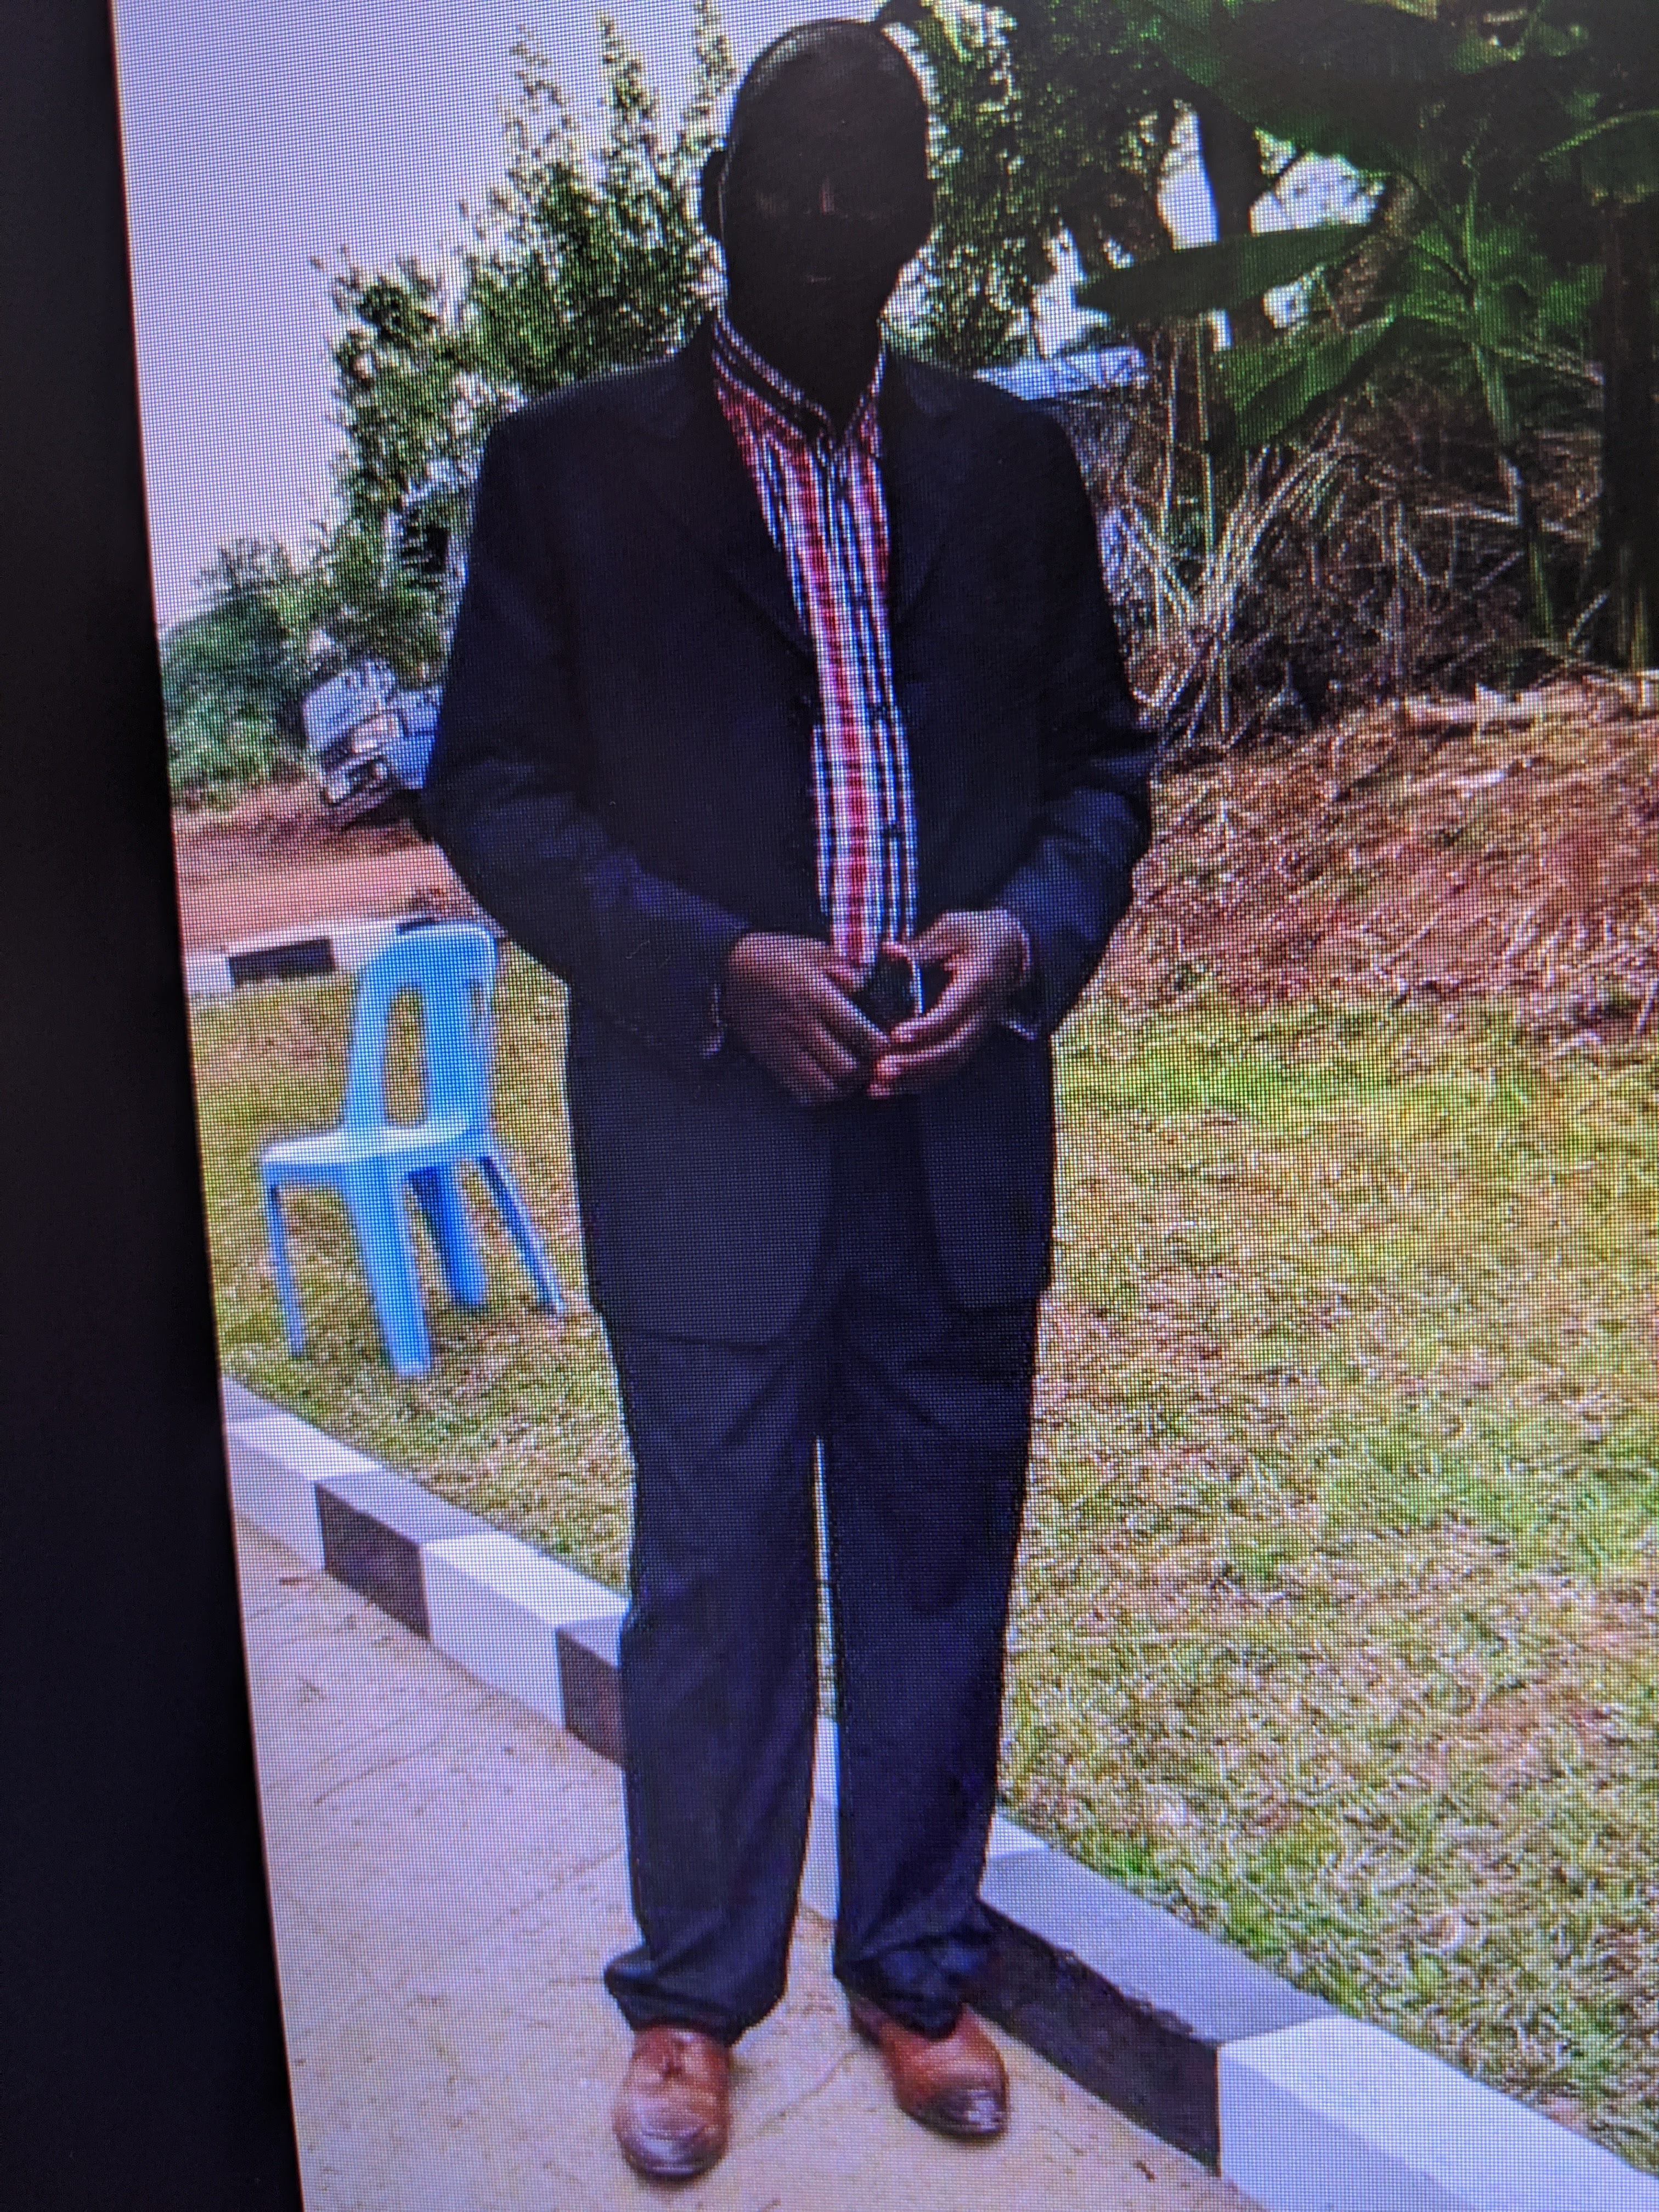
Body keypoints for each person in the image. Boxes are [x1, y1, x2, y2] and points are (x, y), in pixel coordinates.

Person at [423, 18, 1153, 2183]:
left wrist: (1021, 940)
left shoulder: (1006, 468)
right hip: (707, 1139)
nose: (832, 220)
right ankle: (692, 2005)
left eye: (875, 181)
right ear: (717, 199)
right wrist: (711, 973)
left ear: (923, 215)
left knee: (933, 1574)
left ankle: (916, 1973)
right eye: (791, 177)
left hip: (951, 1130)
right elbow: (492, 788)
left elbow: (1101, 769)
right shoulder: (569, 469)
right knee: (719, 1583)